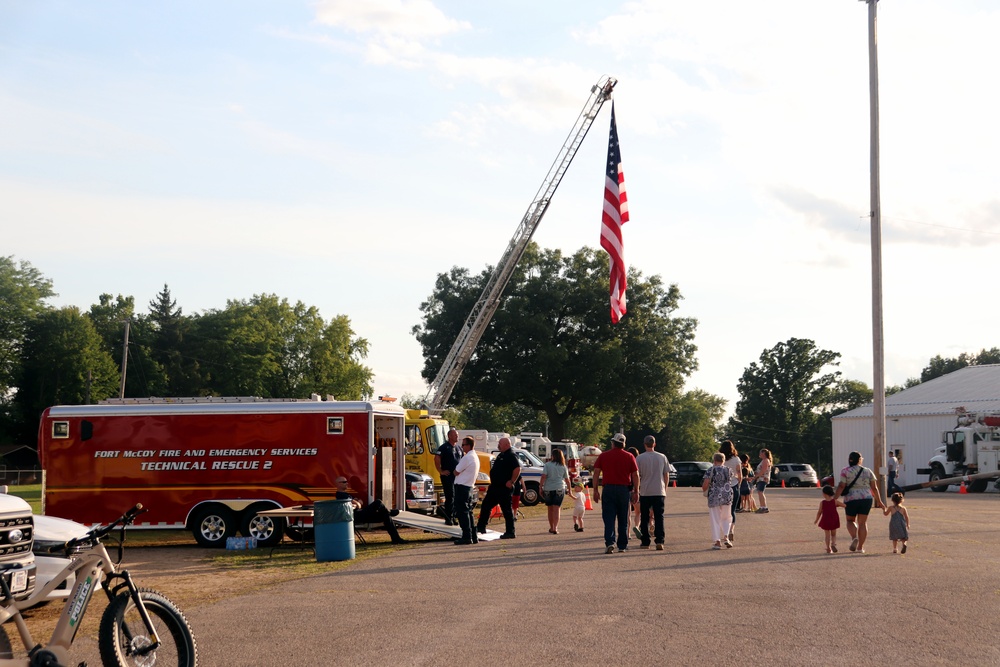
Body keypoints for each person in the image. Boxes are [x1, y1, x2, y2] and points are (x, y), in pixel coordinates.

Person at [592, 433, 639, 554]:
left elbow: (596, 473)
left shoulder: (604, 456)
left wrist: (595, 490)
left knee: (608, 518)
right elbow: (635, 474)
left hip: (608, 489)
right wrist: (636, 491)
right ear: (623, 444)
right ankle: (622, 545)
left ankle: (609, 542)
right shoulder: (629, 456)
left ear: (613, 443)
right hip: (624, 490)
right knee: (623, 518)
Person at [833, 451, 885, 554]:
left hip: (851, 499)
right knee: (862, 523)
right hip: (866, 498)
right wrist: (880, 501)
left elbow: (842, 486)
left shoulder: (845, 471)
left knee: (850, 520)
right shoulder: (868, 471)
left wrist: (835, 499)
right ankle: (860, 547)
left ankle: (854, 538)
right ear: (860, 460)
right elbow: (874, 488)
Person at [334, 476, 405, 544]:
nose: (347, 483)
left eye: (347, 481)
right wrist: (357, 503)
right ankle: (389, 512)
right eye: (344, 482)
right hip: (356, 516)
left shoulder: (346, 494)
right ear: (338, 484)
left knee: (385, 516)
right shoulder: (340, 495)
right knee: (378, 502)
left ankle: (396, 539)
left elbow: (359, 502)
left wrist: (356, 503)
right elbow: (358, 504)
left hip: (360, 513)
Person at [476, 436, 521, 539]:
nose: (498, 445)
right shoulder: (501, 455)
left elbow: (517, 469)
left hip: (503, 488)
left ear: (506, 444)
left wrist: (512, 481)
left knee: (506, 510)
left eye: (500, 444)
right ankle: (481, 527)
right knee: (486, 505)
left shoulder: (511, 455)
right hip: (495, 487)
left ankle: (510, 532)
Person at [635, 435, 670, 551]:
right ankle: (660, 540)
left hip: (645, 490)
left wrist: (637, 489)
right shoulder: (662, 457)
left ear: (644, 444)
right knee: (659, 516)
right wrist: (665, 488)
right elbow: (666, 474)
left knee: (644, 517)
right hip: (659, 490)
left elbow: (637, 475)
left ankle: (645, 541)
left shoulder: (639, 458)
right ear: (654, 444)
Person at [452, 437, 481, 545]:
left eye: (463, 445)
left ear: (469, 445)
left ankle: (466, 536)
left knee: (462, 512)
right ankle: (473, 535)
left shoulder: (467, 457)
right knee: (468, 511)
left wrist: (455, 470)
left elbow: (456, 471)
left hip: (462, 487)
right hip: (469, 486)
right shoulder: (475, 457)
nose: (462, 446)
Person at [702, 453, 734, 550]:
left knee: (715, 519)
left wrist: (704, 490)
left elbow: (706, 483)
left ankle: (717, 542)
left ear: (714, 460)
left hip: (714, 496)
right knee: (727, 517)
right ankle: (726, 537)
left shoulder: (711, 470)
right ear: (723, 460)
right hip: (727, 495)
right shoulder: (728, 470)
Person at [435, 428, 463, 525]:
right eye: (455, 435)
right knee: (450, 496)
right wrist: (441, 471)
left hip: (457, 477)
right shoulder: (444, 447)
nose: (457, 436)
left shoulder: (459, 448)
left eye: (457, 434)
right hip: (448, 476)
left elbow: (462, 460)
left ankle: (454, 517)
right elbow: (437, 458)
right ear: (450, 436)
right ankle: (448, 518)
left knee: (456, 497)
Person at [540, 449, 571, 534]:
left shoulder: (547, 465)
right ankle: (555, 527)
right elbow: (567, 480)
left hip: (548, 488)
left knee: (550, 508)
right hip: (559, 488)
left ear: (553, 456)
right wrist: (569, 490)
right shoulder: (563, 466)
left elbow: (543, 476)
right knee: (557, 509)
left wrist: (540, 487)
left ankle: (551, 526)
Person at [720, 440, 742, 541]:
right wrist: (738, 483)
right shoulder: (736, 459)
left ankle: (724, 531)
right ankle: (731, 530)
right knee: (732, 510)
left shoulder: (721, 459)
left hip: (722, 487)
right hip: (734, 485)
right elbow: (739, 474)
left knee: (723, 510)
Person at [814, 484, 844, 554]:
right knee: (833, 534)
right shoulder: (835, 501)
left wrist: (816, 520)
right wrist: (838, 505)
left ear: (824, 494)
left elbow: (819, 512)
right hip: (834, 519)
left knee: (827, 535)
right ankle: (833, 544)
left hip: (825, 520)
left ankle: (828, 548)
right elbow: (844, 505)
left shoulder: (822, 503)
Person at [626, 446, 643, 539]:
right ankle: (637, 526)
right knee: (638, 512)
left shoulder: (626, 463)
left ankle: (627, 533)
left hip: (628, 489)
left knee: (628, 513)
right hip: (636, 490)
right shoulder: (638, 464)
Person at [752, 449, 772, 513]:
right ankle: (762, 506)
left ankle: (764, 507)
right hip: (760, 479)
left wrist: (756, 476)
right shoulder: (763, 461)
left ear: (763, 453)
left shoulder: (765, 460)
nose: (759, 454)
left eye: (760, 453)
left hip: (763, 479)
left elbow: (763, 470)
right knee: (760, 492)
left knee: (760, 492)